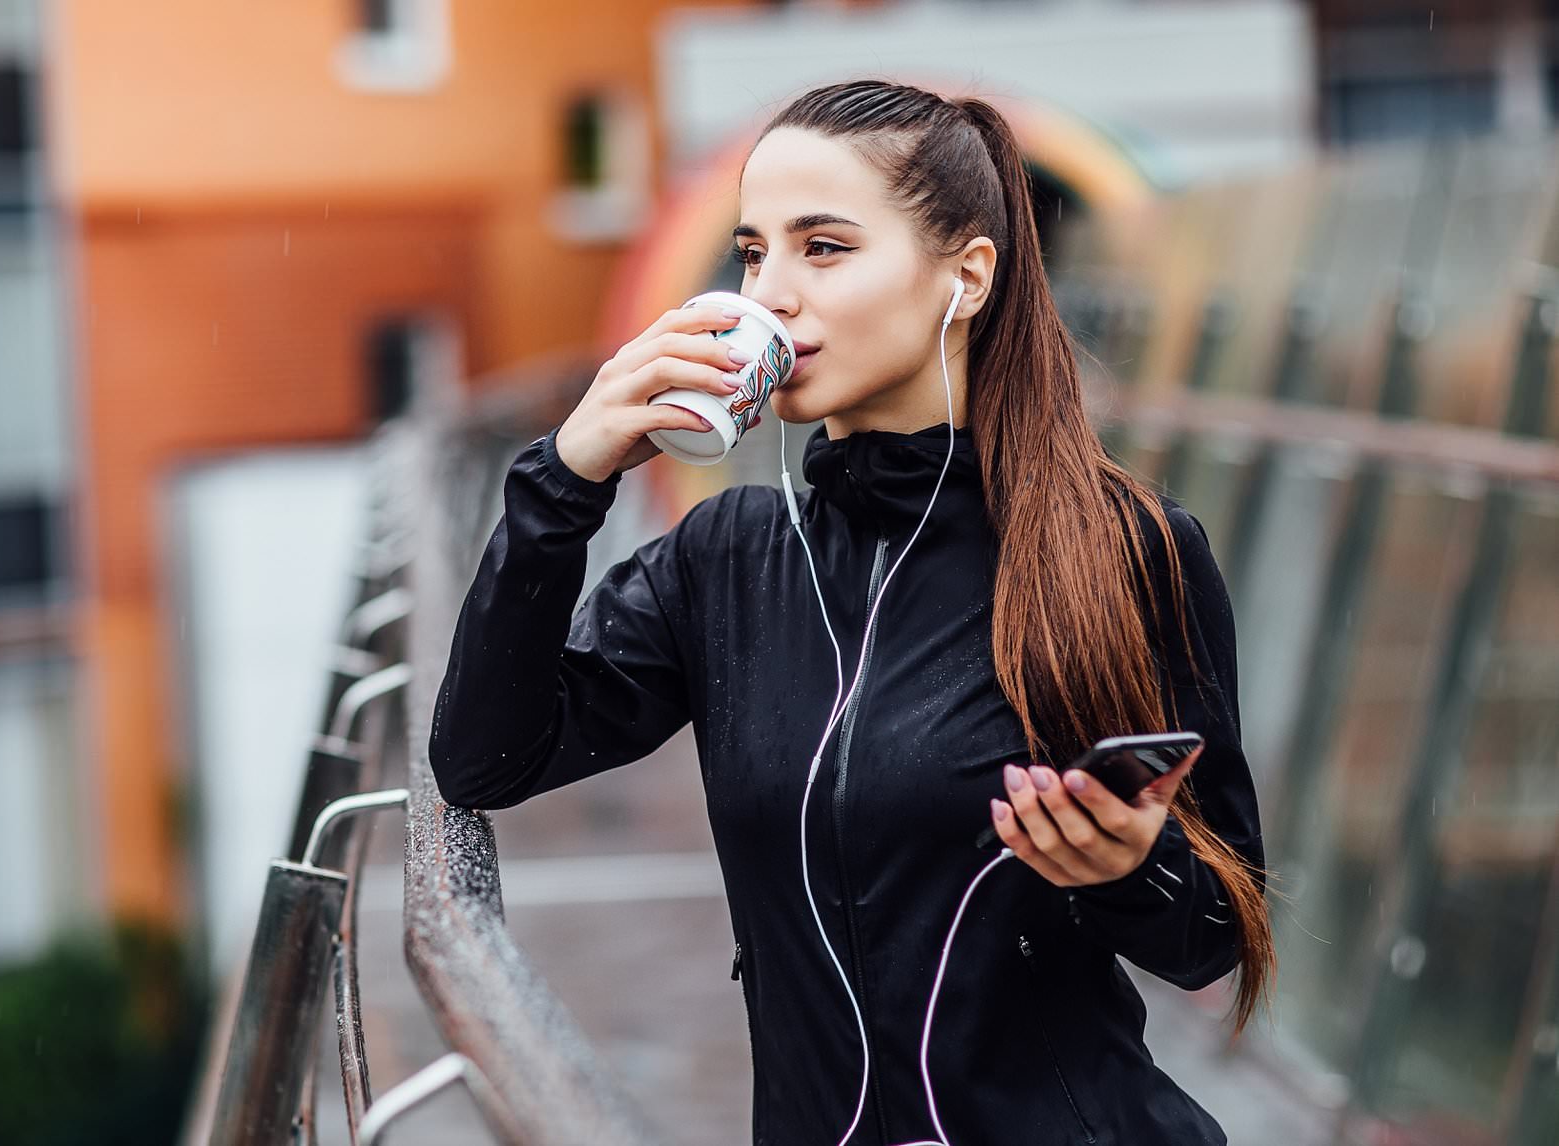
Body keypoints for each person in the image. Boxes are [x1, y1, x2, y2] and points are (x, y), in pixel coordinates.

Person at [428, 79, 1272, 1146]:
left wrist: (1126, 867)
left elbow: (1216, 933)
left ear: (964, 280)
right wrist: (568, 475)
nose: (771, 293)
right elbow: (486, 759)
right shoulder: (725, 559)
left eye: (822, 248)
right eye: (751, 252)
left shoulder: (1124, 546)